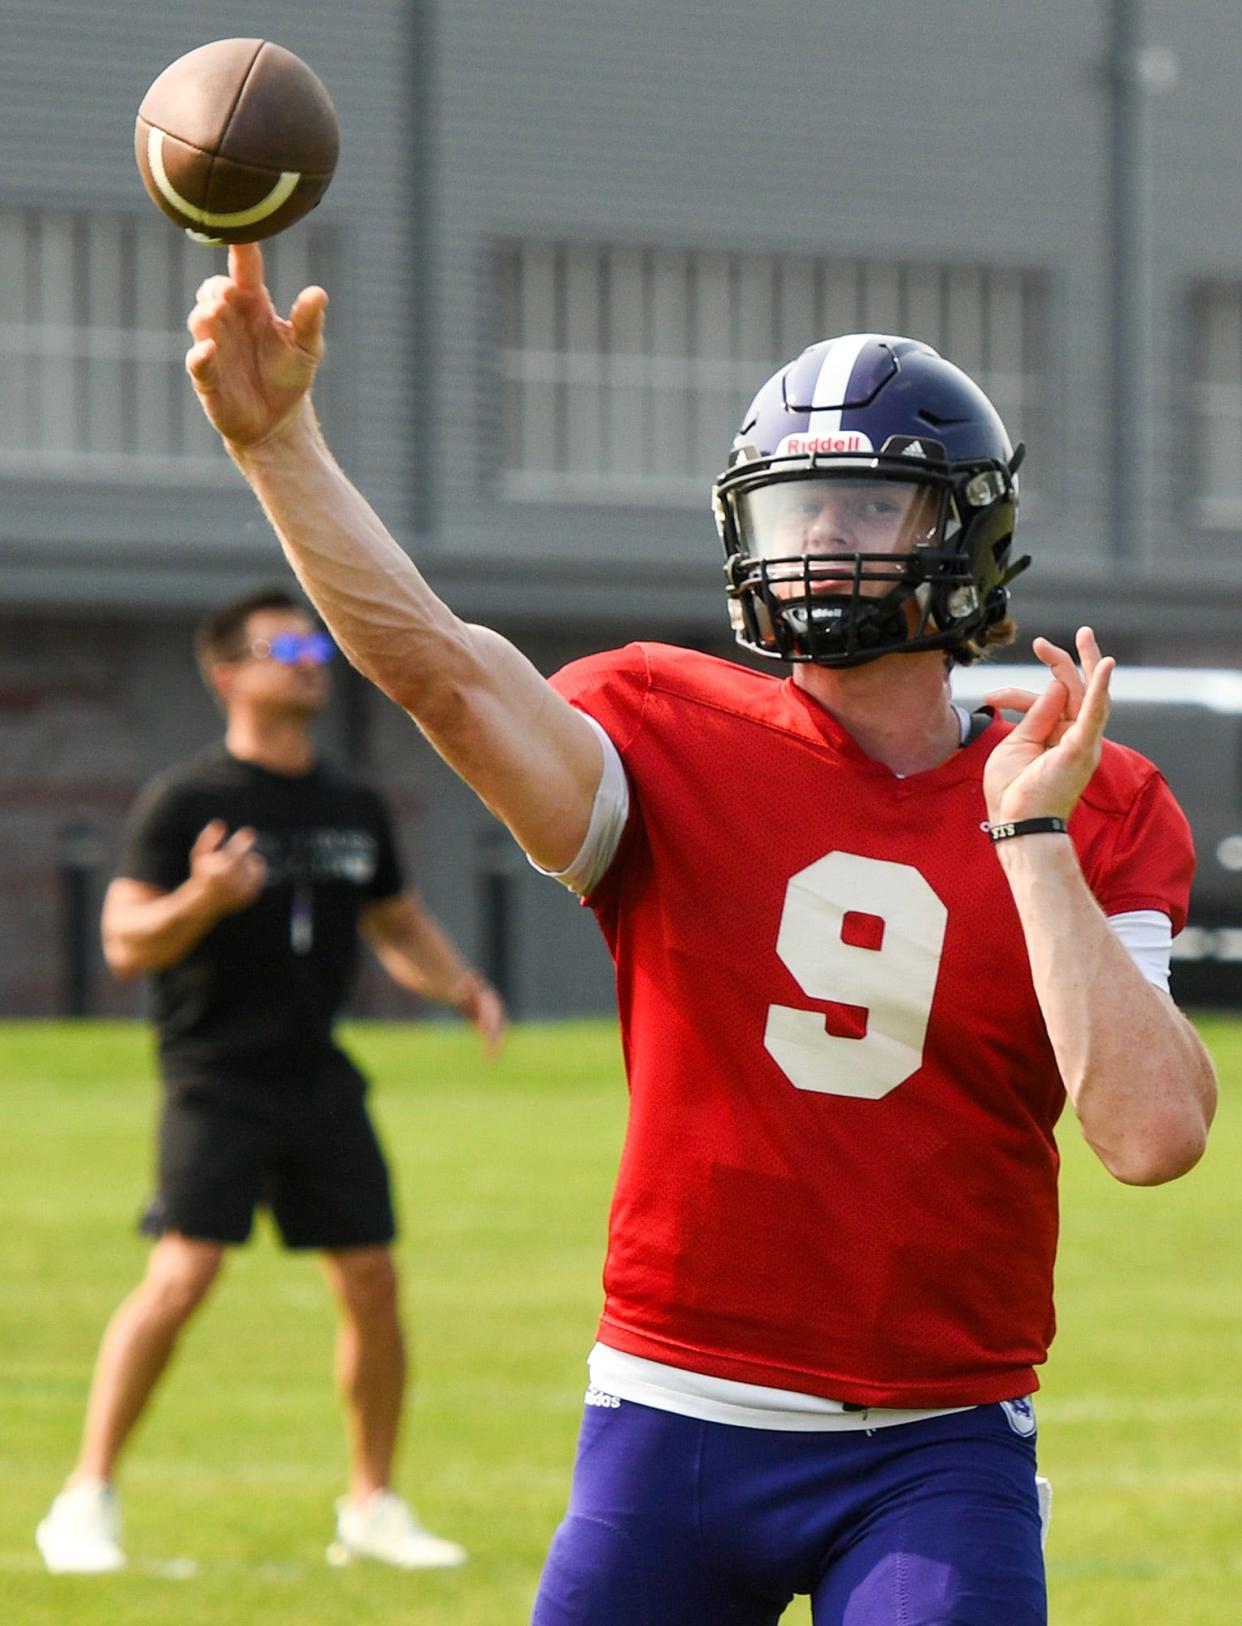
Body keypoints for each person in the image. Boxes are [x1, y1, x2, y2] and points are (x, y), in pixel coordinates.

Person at [175, 252, 1216, 1625]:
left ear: (961, 534)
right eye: (792, 508)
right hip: (673, 1418)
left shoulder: (1091, 794)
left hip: (935, 1434)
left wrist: (1026, 837)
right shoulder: (663, 731)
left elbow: (1150, 1138)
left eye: (863, 504)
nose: (816, 543)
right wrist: (279, 446)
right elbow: (434, 666)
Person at [36, 584, 506, 1576]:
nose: (308, 658)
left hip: (319, 1074)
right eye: (284, 643)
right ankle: (85, 1499)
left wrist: (460, 986)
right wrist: (202, 900)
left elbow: (396, 921)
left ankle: (372, 1507)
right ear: (228, 673)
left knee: (373, 1282)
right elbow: (124, 941)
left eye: (314, 643)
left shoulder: (352, 802)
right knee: (183, 1275)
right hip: (216, 1076)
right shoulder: (188, 801)